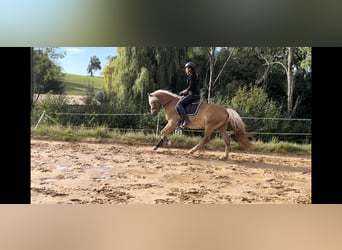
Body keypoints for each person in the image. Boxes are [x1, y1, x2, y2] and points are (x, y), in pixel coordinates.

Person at [176, 61, 200, 129]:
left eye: (186, 68)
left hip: (193, 95)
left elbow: (191, 87)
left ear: (190, 68)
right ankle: (182, 119)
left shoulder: (192, 75)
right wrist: (185, 91)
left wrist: (184, 91)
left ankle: (186, 120)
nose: (185, 69)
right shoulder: (193, 74)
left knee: (179, 105)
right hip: (194, 94)